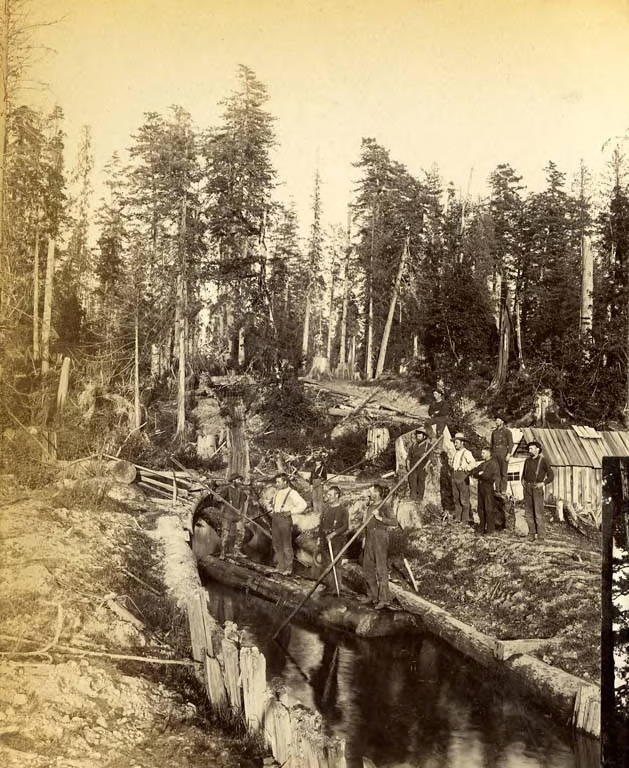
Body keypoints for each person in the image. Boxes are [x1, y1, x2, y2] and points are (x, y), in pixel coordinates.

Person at [362, 484, 397, 609]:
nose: (369, 492)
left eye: (371, 490)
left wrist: (380, 517)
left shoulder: (385, 506)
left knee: (381, 569)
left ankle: (384, 599)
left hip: (380, 537)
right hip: (370, 538)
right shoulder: (370, 506)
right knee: (367, 567)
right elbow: (366, 524)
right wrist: (364, 538)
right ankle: (372, 595)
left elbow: (394, 522)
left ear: (377, 493)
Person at [271, 472, 308, 575]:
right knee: (276, 544)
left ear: (285, 482)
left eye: (278, 482)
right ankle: (280, 566)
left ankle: (288, 568)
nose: (276, 484)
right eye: (276, 482)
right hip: (275, 519)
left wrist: (291, 512)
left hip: (284, 520)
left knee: (286, 545)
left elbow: (303, 505)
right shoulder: (277, 492)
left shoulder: (292, 493)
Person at [319, 485, 349, 594]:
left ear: (337, 496)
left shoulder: (343, 510)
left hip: (336, 541)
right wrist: (319, 538)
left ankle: (337, 588)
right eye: (327, 495)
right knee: (326, 563)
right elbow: (321, 524)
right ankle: (329, 586)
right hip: (325, 539)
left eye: (330, 495)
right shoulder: (326, 509)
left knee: (336, 564)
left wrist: (333, 534)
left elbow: (345, 526)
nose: (328, 497)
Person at [522, 440, 554, 542]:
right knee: (528, 512)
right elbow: (524, 473)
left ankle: (541, 536)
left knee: (538, 512)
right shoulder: (527, 461)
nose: (529, 450)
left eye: (531, 448)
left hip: (537, 488)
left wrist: (543, 483)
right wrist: (522, 481)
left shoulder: (543, 460)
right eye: (529, 448)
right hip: (527, 488)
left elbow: (551, 476)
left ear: (537, 449)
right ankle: (531, 534)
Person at [469, 446, 501, 534]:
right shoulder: (483, 464)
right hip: (481, 487)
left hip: (488, 488)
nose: (481, 454)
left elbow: (486, 476)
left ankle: (490, 530)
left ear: (489, 453)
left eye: (483, 453)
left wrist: (480, 474)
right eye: (481, 453)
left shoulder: (493, 464)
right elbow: (473, 472)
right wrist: (479, 473)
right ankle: (481, 528)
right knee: (481, 508)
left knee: (488, 508)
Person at [218, 473, 248, 559]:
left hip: (238, 515)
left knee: (241, 532)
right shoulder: (226, 489)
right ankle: (223, 553)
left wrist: (241, 511)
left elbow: (243, 500)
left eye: (240, 480)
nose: (240, 482)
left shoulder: (240, 491)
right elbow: (218, 499)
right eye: (238, 480)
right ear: (233, 480)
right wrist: (219, 498)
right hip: (227, 515)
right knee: (225, 534)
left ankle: (236, 551)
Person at [450, 432, 476, 524]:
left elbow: (473, 463)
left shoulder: (466, 452)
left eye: (456, 442)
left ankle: (465, 520)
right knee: (456, 498)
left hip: (462, 477)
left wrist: (466, 470)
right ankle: (458, 518)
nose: (455, 444)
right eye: (454, 442)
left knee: (464, 499)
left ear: (462, 443)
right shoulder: (456, 453)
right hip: (454, 477)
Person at [490, 416, 513, 494]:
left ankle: (503, 490)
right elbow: (491, 444)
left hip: (503, 453)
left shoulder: (507, 431)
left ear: (502, 421)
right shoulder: (494, 432)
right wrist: (491, 455)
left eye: (498, 420)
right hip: (495, 453)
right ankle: (497, 489)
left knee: (503, 472)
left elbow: (511, 444)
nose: (496, 422)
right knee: (496, 472)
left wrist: (509, 454)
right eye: (496, 420)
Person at [406, 428, 429, 502]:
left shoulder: (427, 445)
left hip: (422, 466)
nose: (418, 437)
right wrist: (408, 465)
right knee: (412, 480)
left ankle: (419, 498)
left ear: (424, 437)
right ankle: (413, 496)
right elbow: (409, 457)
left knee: (421, 481)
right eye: (417, 436)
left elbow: (431, 457)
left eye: (420, 436)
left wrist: (426, 465)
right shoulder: (413, 445)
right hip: (413, 465)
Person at [309, 450, 328, 515]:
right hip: (314, 483)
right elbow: (311, 477)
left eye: (318, 461)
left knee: (319, 498)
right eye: (316, 461)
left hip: (319, 483)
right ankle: (315, 511)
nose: (317, 462)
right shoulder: (313, 469)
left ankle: (320, 512)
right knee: (314, 497)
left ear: (320, 462)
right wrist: (311, 485)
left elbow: (325, 478)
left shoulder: (323, 469)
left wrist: (323, 482)